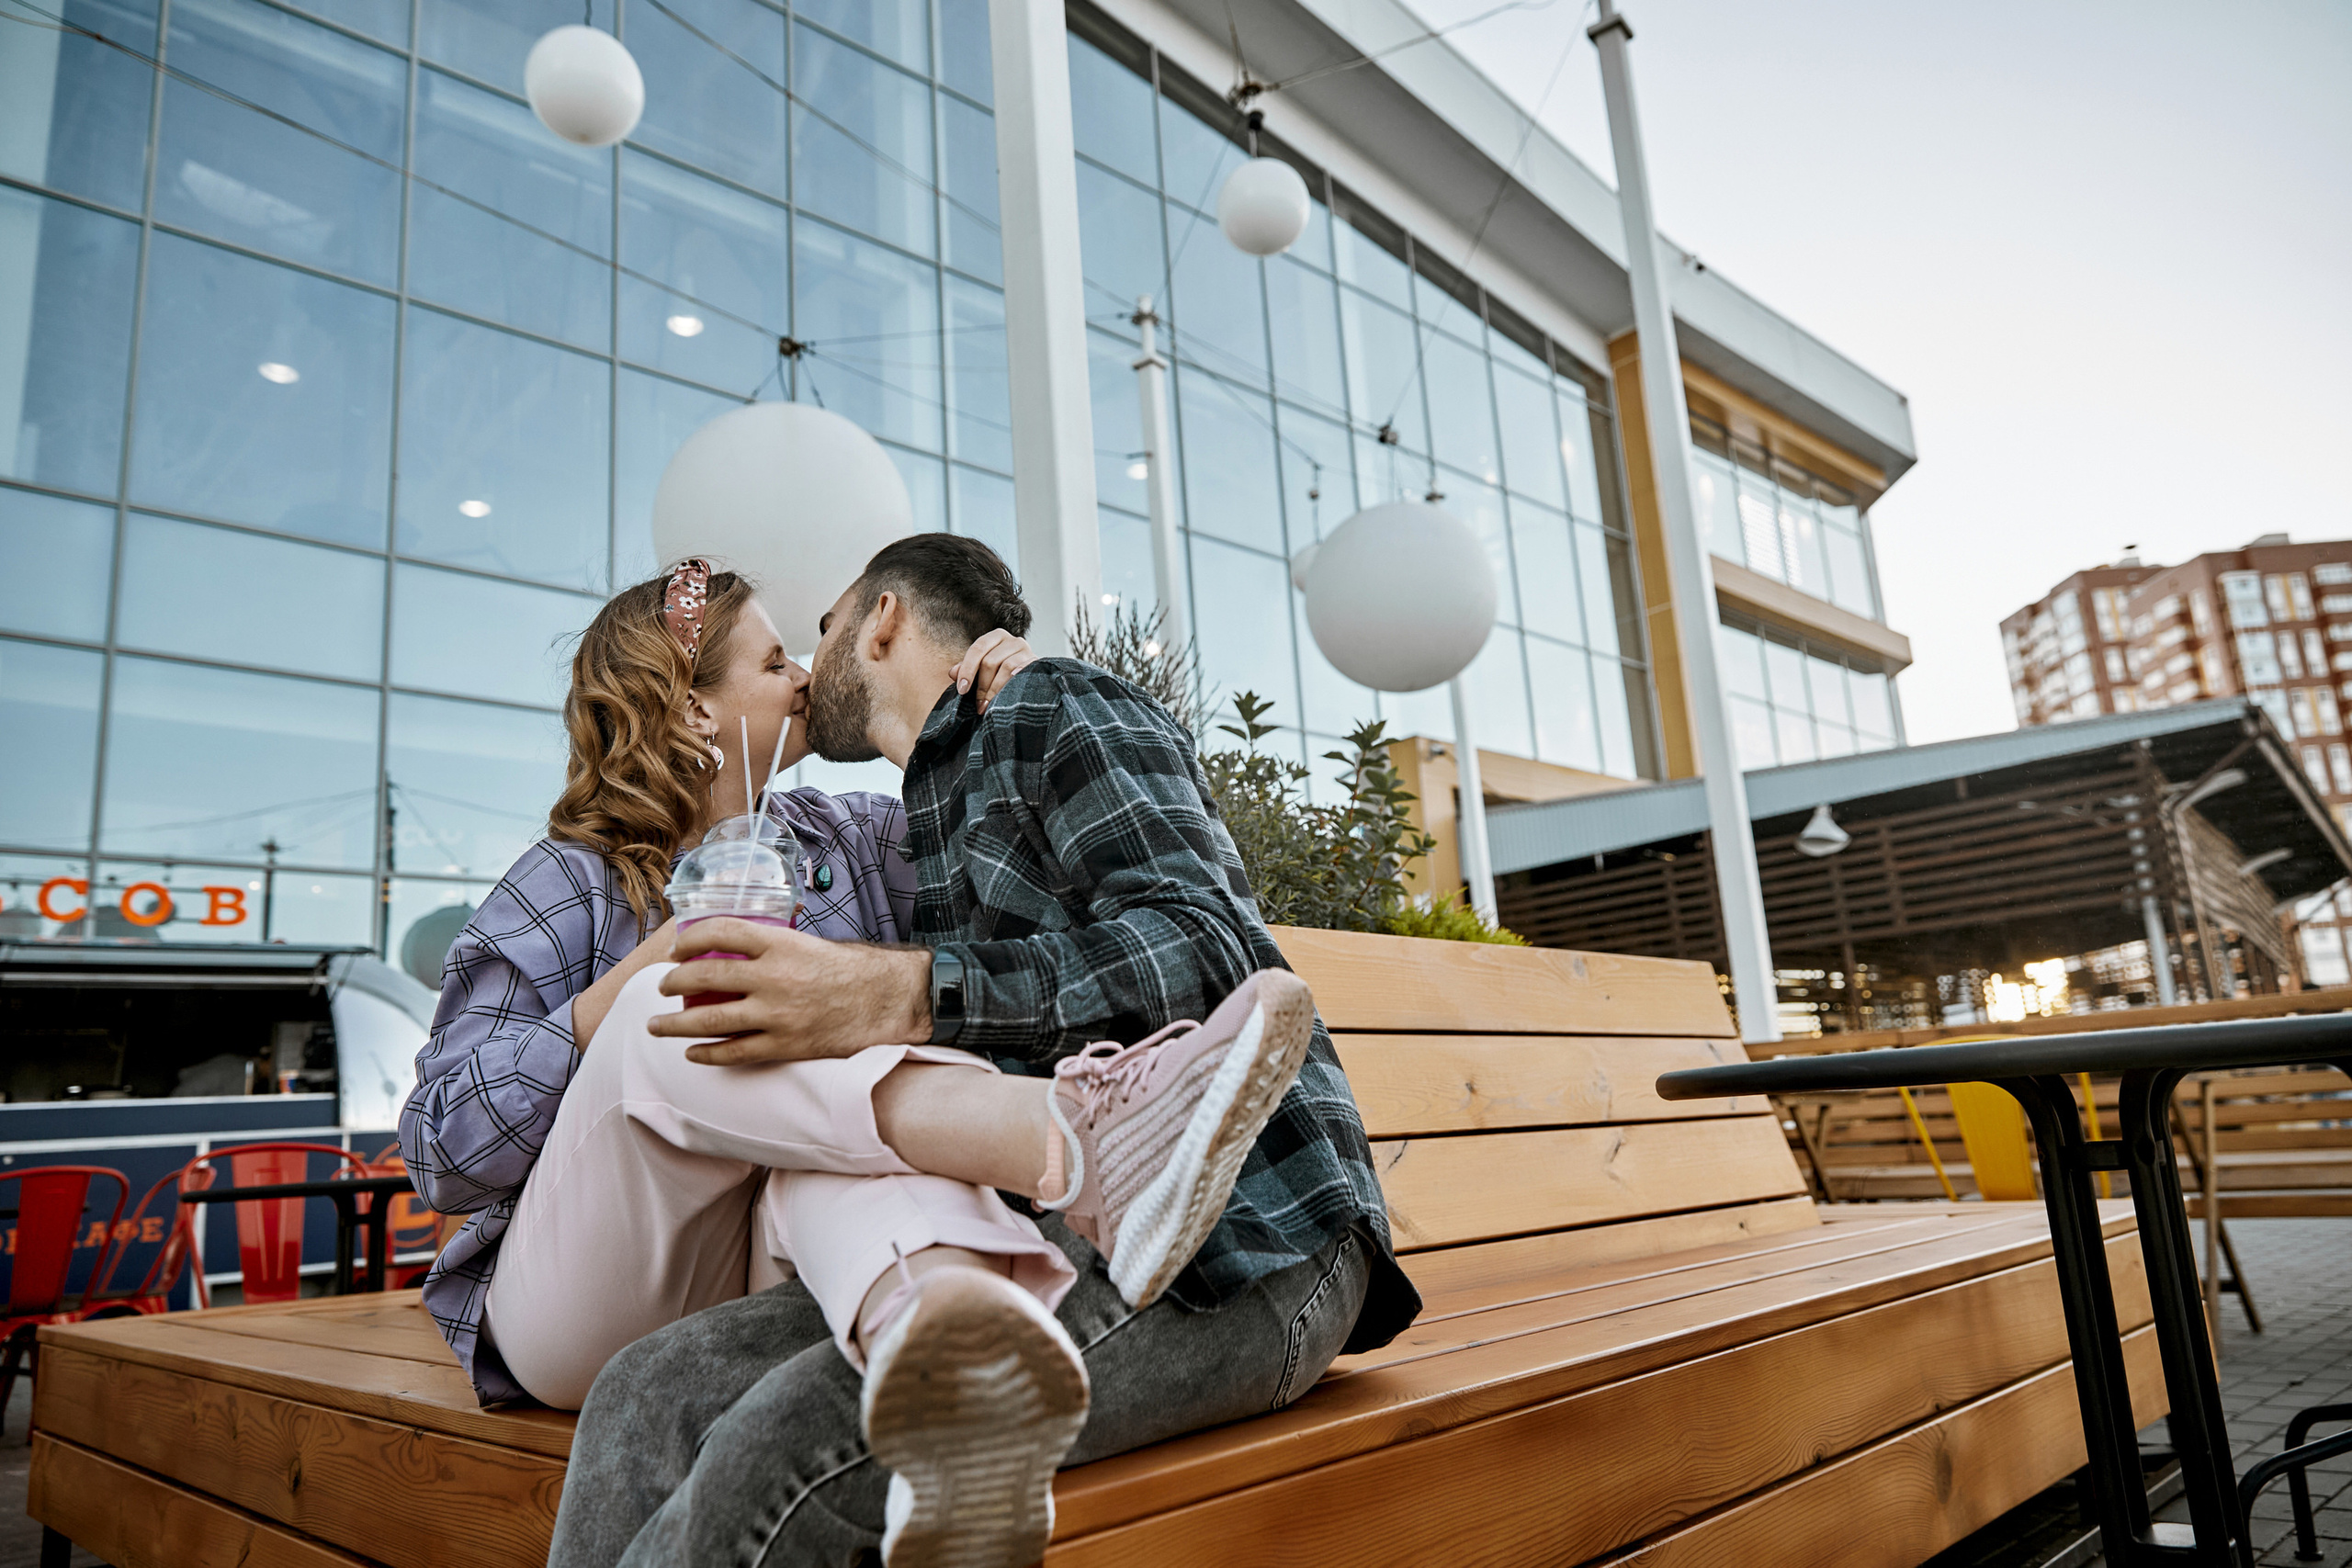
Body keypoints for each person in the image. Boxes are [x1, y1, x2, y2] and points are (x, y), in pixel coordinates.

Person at [548, 535, 1422, 1568]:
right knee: (645, 1391)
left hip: (1248, 1247)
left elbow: (1207, 953)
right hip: (1033, 1235)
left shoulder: (1049, 703)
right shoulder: (923, 821)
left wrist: (901, 992)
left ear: (881, 619)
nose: (805, 673)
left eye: (820, 631)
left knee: (783, 1448)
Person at [401, 559, 1299, 1430]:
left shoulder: (852, 838)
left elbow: (1015, 868)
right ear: (693, 708)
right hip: (583, 1297)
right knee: (681, 998)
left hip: (774, 1271)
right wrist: (625, 987)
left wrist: (1005, 706)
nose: (802, 678)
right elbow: (439, 1151)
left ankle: (955, 1370)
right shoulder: (566, 879)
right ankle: (1067, 1134)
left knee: (830, 1131)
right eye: (772, 662)